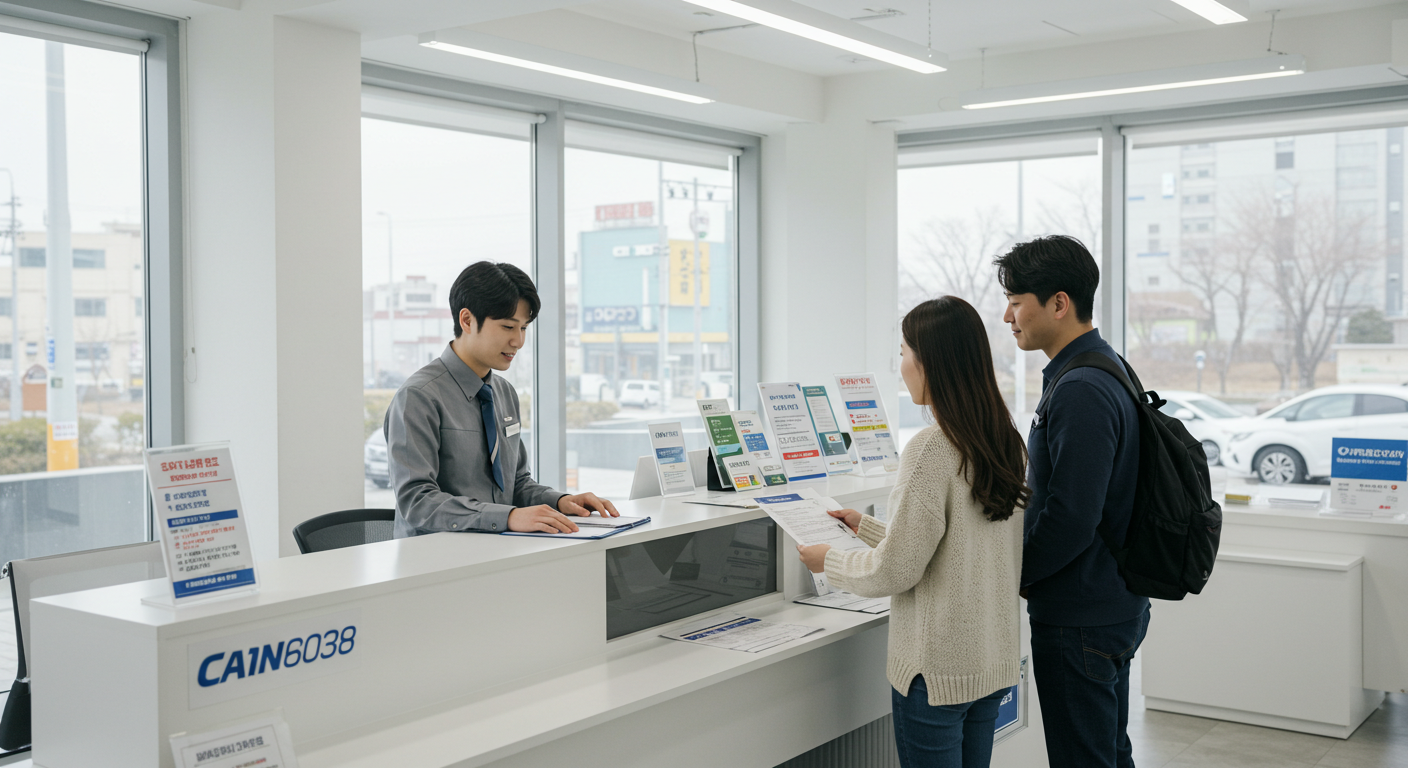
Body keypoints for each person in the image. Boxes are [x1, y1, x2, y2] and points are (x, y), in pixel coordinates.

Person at [797, 296, 1028, 768]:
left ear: (930, 363)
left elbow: (897, 572)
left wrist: (829, 561)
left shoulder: (929, 449)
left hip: (936, 672)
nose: (900, 365)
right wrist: (866, 528)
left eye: (903, 352)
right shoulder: (1004, 439)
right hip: (991, 661)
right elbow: (961, 546)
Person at [995, 235, 1149, 768]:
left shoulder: (1081, 386)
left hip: (1081, 610)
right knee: (1107, 751)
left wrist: (1013, 575)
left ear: (1059, 303)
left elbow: (1071, 515)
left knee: (1085, 757)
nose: (1008, 315)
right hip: (1108, 599)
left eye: (1017, 301)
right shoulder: (1105, 367)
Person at [385, 261, 619, 537]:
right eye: (508, 327)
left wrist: (560, 501)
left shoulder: (504, 393)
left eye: (523, 329)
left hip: (500, 553)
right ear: (467, 321)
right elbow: (417, 501)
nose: (518, 341)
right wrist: (507, 517)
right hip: (436, 563)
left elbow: (516, 483)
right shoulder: (419, 397)